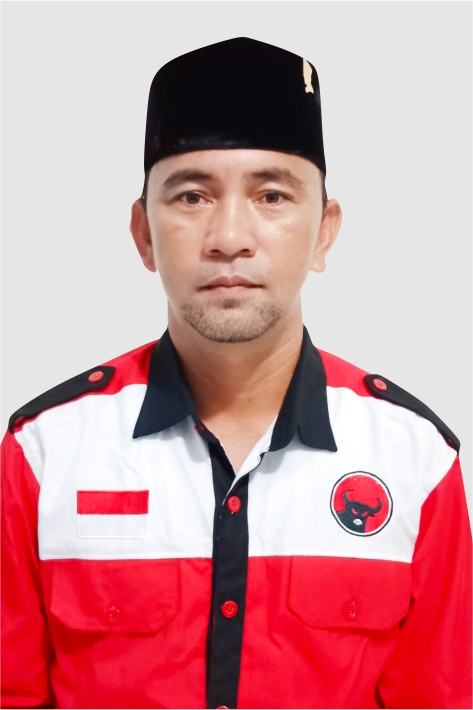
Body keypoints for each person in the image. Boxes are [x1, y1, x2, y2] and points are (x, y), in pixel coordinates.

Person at [1, 37, 471, 710]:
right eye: (191, 196)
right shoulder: (44, 452)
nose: (228, 237)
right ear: (143, 234)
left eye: (271, 195)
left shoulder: (414, 458)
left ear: (324, 231)